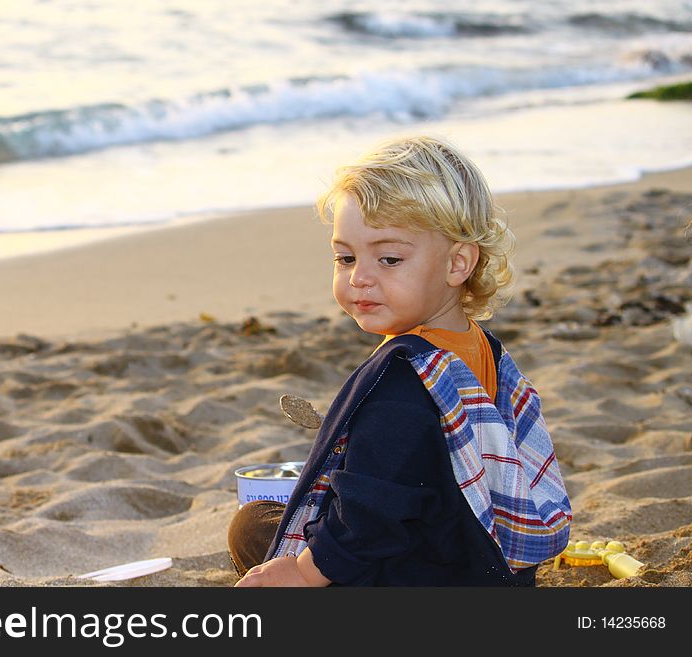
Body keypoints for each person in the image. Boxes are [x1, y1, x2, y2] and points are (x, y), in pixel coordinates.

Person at [229, 135, 572, 587]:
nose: (360, 278)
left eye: (389, 258)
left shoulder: (401, 381)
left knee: (251, 527)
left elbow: (371, 518)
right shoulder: (483, 350)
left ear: (458, 264)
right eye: (345, 257)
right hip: (478, 563)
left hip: (414, 577)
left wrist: (300, 572)